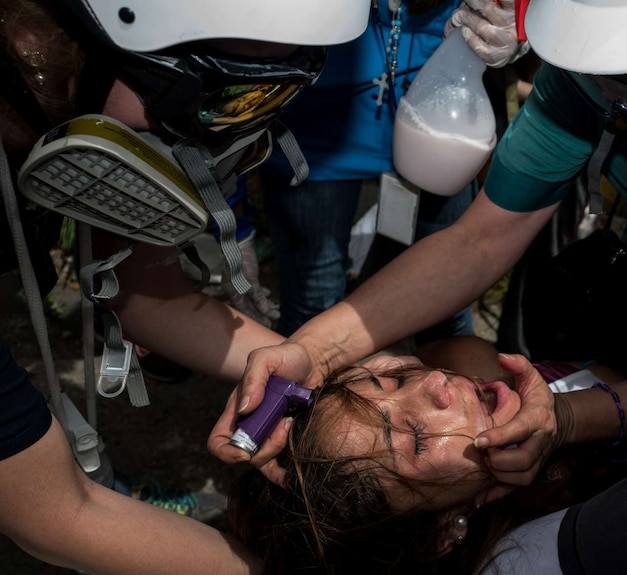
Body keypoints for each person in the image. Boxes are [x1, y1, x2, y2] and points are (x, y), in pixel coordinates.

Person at [209, 0, 627, 490]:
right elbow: (482, 239)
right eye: (604, 75)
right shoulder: (599, 58)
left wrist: (573, 419)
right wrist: (314, 350)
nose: (613, 97)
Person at [0, 0, 372, 572]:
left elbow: (152, 299)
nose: (221, 140)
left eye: (267, 100)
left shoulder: (88, 100)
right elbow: (55, 515)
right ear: (36, 39)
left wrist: (350, 374)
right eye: (220, 97)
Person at [224, 328, 627, 574]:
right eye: (414, 439)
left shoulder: (468, 356)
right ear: (444, 530)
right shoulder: (589, 544)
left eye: (393, 384)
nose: (437, 382)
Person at [260, 0, 528, 344]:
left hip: (442, 112)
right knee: (313, 303)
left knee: (445, 299)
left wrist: (519, 27)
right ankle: (306, 393)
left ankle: (448, 391)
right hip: (322, 120)